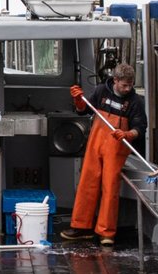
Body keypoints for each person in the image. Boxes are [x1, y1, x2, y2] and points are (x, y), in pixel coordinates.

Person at [59, 62, 147, 246]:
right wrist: (78, 100)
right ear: (115, 80)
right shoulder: (101, 91)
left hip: (116, 149)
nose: (128, 88)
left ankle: (106, 232)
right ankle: (81, 227)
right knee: (87, 183)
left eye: (130, 85)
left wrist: (128, 134)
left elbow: (140, 128)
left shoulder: (136, 102)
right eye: (124, 85)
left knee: (110, 188)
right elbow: (83, 110)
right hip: (95, 143)